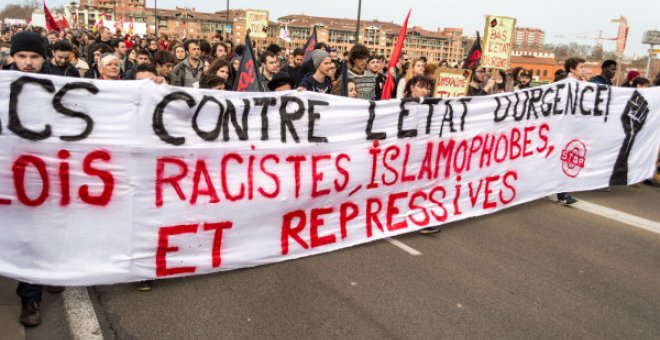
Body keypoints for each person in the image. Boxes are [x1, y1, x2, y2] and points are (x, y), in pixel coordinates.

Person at [2, 31, 69, 327]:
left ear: (43, 58)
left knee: (50, 231)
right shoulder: (3, 86)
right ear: (12, 57)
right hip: (14, 176)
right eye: (22, 57)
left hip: (52, 174)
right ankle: (30, 297)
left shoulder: (61, 84)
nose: (28, 63)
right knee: (26, 237)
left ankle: (50, 272)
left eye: (34, 57)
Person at [555, 57, 587, 205]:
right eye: (581, 67)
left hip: (576, 127)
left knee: (568, 158)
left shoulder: (584, 84)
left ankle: (561, 191)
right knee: (561, 158)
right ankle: (562, 193)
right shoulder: (564, 84)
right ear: (572, 69)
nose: (584, 70)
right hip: (562, 128)